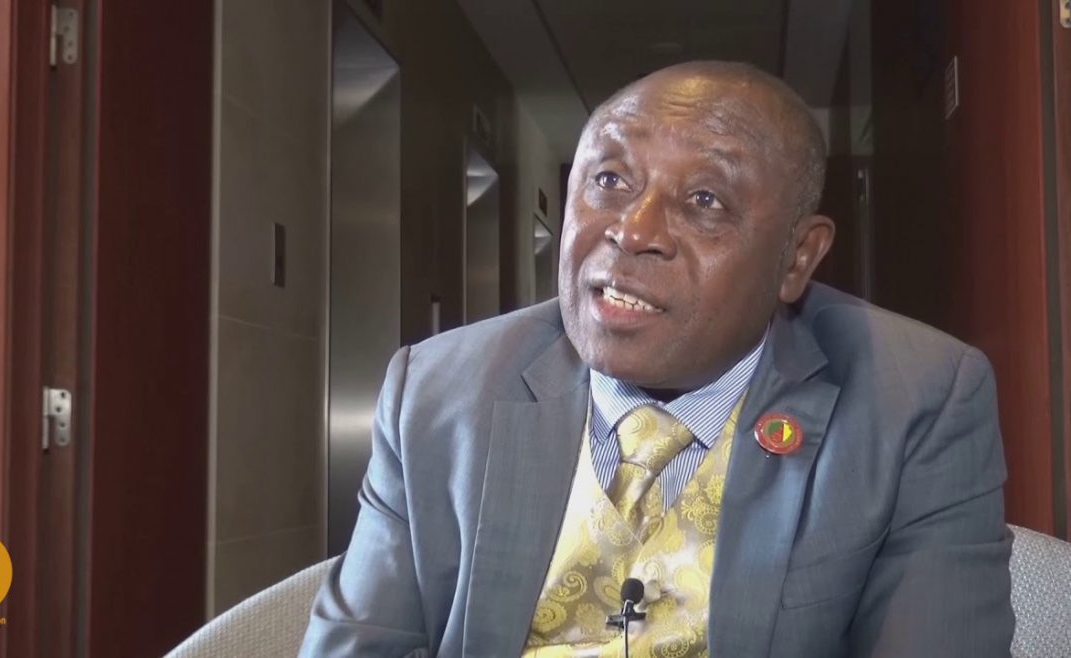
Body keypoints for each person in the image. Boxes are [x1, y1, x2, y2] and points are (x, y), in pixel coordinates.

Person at [299, 61, 1014, 657]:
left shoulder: (916, 400)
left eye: (705, 199)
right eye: (610, 180)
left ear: (797, 257)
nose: (633, 230)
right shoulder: (434, 392)